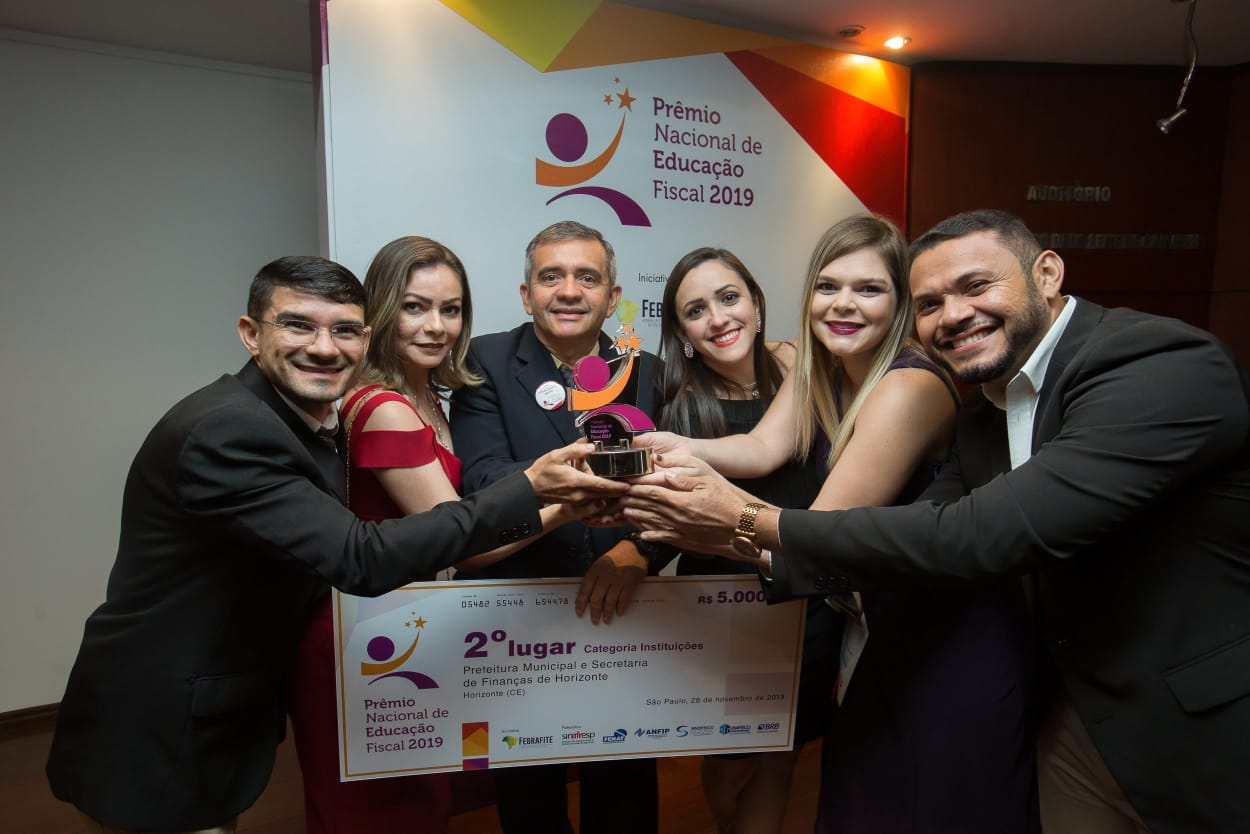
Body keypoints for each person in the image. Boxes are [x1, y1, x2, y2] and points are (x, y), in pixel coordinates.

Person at [624, 209, 1250, 834]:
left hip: (1170, 712)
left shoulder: (1154, 361)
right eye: (932, 302)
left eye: (976, 286)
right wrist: (676, 478)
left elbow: (975, 534)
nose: (954, 314)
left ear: (1047, 273)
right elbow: (902, 519)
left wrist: (734, 520)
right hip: (1014, 676)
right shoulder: (984, 409)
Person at [46, 255, 625, 834]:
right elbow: (360, 556)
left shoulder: (299, 418)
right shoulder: (230, 428)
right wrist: (531, 487)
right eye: (298, 325)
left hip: (224, 698)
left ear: (364, 338)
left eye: (344, 330)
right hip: (159, 720)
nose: (324, 348)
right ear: (251, 334)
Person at [640, 216, 1037, 833]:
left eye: (868, 288)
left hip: (943, 631)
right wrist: (668, 447)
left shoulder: (908, 386)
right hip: (874, 619)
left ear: (901, 304)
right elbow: (759, 448)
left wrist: (710, 519)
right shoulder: (820, 369)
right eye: (828, 286)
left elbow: (819, 534)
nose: (843, 304)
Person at [286, 238, 592, 833]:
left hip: (404, 629)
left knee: (419, 807)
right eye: (414, 307)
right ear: (381, 311)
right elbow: (466, 543)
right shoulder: (385, 408)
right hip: (366, 635)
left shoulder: (424, 394)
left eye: (450, 310)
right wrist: (569, 505)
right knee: (375, 817)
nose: (436, 327)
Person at [450, 220, 665, 834]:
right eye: (552, 276)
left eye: (587, 278)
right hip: (519, 619)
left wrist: (638, 550)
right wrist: (603, 481)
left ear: (612, 297)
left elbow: (675, 484)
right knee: (529, 800)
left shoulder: (648, 370)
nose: (569, 291)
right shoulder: (485, 361)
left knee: (625, 795)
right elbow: (486, 478)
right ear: (527, 295)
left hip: (623, 611)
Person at [654, 246, 834, 834]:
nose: (718, 318)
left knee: (784, 751)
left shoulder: (806, 365)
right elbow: (685, 526)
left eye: (729, 298)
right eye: (696, 311)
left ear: (756, 303)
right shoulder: (680, 408)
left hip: (807, 597)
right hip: (723, 604)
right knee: (730, 759)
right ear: (682, 334)